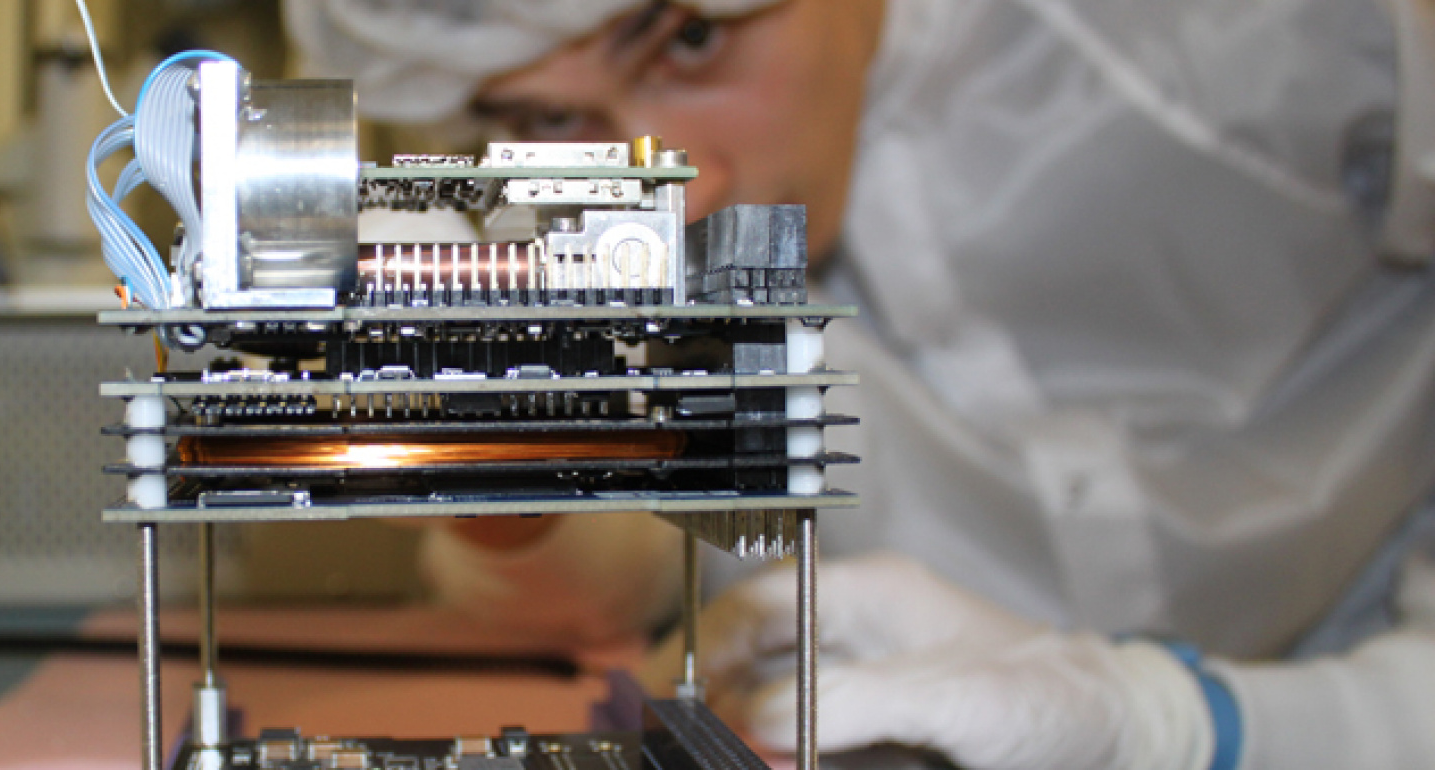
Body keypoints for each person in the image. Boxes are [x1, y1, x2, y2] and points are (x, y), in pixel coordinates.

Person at [284, 1, 1435, 768]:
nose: (673, 179)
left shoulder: (1281, 31)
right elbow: (631, 556)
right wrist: (504, 493)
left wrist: (1183, 724)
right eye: (545, 115)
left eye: (688, 40)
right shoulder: (599, 198)